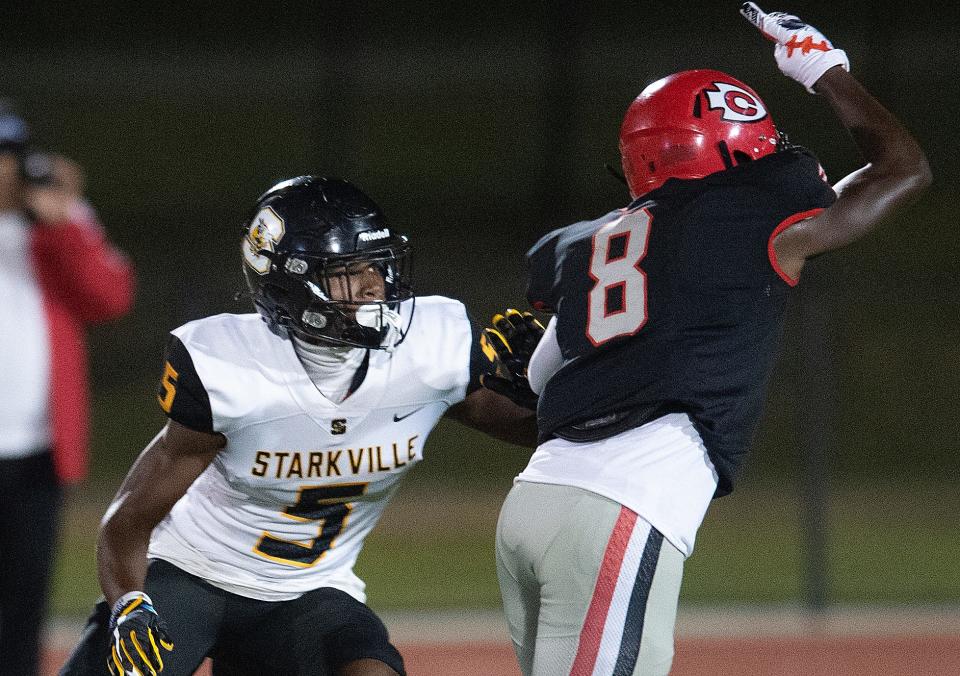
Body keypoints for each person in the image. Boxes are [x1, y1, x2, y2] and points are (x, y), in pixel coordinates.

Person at [484, 5, 932, 676]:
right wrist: (824, 70)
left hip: (531, 506)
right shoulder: (748, 216)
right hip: (616, 513)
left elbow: (541, 388)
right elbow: (902, 171)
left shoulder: (582, 246)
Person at [60, 175, 536, 676]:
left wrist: (547, 381)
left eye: (376, 264)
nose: (374, 283)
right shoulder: (236, 371)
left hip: (309, 593)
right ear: (289, 283)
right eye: (347, 271)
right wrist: (128, 606)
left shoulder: (428, 352)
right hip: (191, 573)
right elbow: (126, 523)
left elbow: (543, 431)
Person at [0, 104, 135, 676]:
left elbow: (107, 298)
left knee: (22, 605)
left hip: (36, 451)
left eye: (9, 158)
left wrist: (66, 221)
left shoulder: (55, 226)